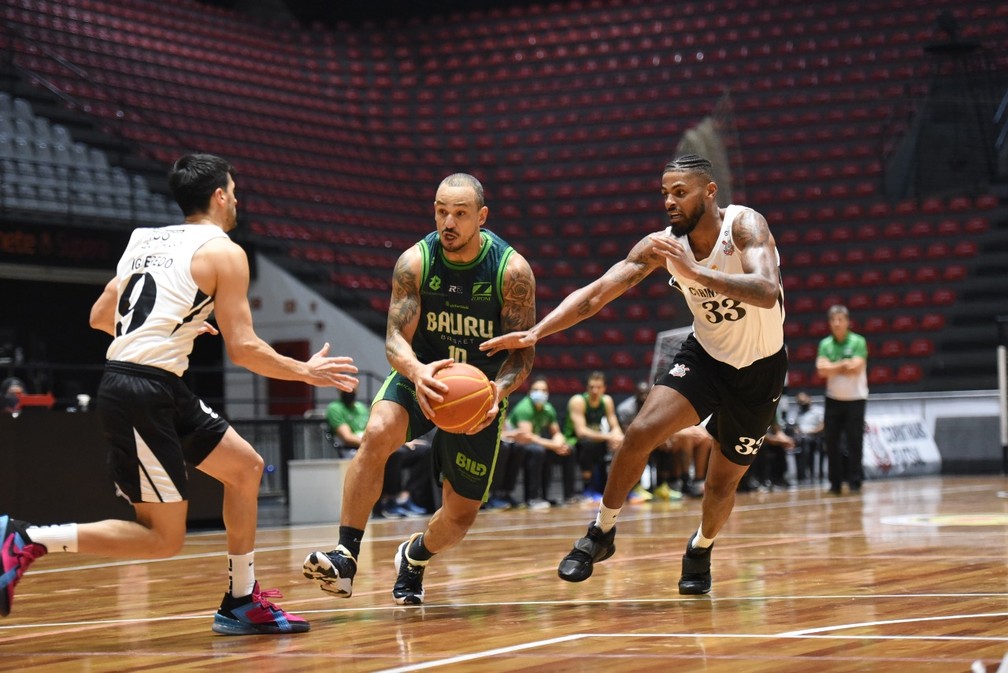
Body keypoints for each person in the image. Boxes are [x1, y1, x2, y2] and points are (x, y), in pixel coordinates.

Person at [0, 154, 360, 634]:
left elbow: (100, 316)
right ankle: (26, 537)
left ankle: (240, 600)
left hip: (156, 383)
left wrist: (173, 324)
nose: (236, 200)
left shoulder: (142, 241)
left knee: (247, 468)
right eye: (232, 191)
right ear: (218, 196)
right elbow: (246, 348)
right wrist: (305, 371)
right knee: (163, 540)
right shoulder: (225, 251)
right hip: (139, 390)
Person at [481, 154, 787, 595]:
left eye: (680, 193)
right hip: (707, 357)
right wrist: (536, 332)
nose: (669, 202)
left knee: (720, 485)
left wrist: (696, 272)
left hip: (761, 369)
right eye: (665, 194)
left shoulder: (743, 227)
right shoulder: (661, 244)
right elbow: (598, 292)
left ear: (710, 192)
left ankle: (700, 548)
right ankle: (601, 533)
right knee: (640, 431)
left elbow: (766, 289)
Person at [303, 173, 536, 605]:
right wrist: (415, 371)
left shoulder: (511, 271)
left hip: (477, 395)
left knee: (460, 516)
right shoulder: (416, 262)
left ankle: (415, 555)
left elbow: (522, 356)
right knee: (375, 434)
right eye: (441, 211)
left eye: (461, 214)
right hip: (422, 373)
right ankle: (346, 554)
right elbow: (394, 338)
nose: (448, 222)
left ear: (481, 217)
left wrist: (496, 394)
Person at [327, 389, 428, 518]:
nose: (350, 390)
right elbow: (348, 438)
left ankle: (406, 497)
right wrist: (382, 444)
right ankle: (390, 500)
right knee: (394, 453)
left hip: (377, 445)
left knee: (423, 451)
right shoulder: (335, 408)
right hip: (356, 449)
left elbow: (379, 431)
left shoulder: (361, 408)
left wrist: (399, 440)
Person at [815, 304, 868, 495]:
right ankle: (835, 483)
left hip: (856, 399)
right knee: (832, 443)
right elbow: (821, 370)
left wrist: (832, 366)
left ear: (847, 321)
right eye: (833, 320)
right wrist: (843, 364)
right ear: (829, 323)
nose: (837, 323)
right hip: (833, 400)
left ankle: (855, 481)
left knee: (855, 442)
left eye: (840, 319)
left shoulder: (858, 341)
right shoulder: (825, 344)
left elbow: (856, 367)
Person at [504, 375, 570, 509]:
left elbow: (556, 432)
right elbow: (527, 437)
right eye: (536, 389)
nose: (540, 393)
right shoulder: (524, 408)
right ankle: (532, 498)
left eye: (544, 390)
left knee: (568, 450)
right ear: (529, 392)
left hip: (533, 443)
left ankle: (556, 496)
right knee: (537, 451)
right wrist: (553, 445)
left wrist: (559, 443)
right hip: (514, 444)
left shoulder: (548, 408)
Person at [564, 371, 624, 501]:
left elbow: (614, 425)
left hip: (597, 438)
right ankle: (588, 489)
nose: (595, 390)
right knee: (589, 445)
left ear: (604, 388)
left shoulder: (607, 400)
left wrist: (618, 438)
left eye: (598, 387)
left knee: (621, 445)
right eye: (592, 387)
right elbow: (581, 432)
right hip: (573, 440)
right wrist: (609, 437)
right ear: (587, 388)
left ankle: (622, 488)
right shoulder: (578, 401)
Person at [788, 391, 825, 482]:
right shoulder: (798, 412)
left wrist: (809, 432)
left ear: (809, 398)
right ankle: (801, 474)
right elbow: (795, 426)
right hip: (800, 437)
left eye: (803, 401)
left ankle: (810, 473)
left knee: (805, 442)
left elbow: (822, 426)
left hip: (814, 436)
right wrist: (796, 431)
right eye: (800, 402)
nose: (802, 404)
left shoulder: (818, 411)